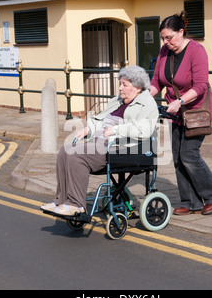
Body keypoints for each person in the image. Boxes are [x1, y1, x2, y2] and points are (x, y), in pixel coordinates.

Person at [41, 65, 159, 216]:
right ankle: (61, 200)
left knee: (76, 156)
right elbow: (101, 119)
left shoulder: (147, 104)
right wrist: (88, 129)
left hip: (121, 147)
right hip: (100, 141)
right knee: (65, 150)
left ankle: (76, 205)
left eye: (124, 84)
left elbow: (144, 129)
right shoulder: (117, 101)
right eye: (120, 83)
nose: (120, 88)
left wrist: (116, 130)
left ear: (137, 87)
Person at [149, 11, 212, 215]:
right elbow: (157, 81)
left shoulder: (197, 51)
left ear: (181, 32)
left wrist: (180, 101)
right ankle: (191, 202)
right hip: (175, 112)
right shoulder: (165, 52)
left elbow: (200, 86)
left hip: (195, 110)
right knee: (177, 157)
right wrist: (144, 96)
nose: (166, 42)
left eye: (169, 37)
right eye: (163, 38)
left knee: (189, 155)